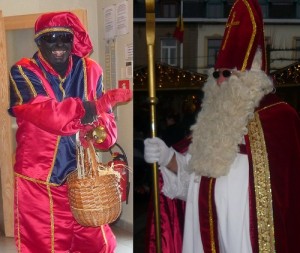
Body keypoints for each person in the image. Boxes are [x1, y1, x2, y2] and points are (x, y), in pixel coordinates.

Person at [144, 0, 300, 252]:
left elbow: (287, 200)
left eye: (227, 74)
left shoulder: (278, 118)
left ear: (250, 75)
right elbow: (191, 184)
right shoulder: (213, 122)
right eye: (216, 74)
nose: (219, 81)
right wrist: (168, 157)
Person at [8, 11, 132, 253]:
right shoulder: (23, 72)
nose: (58, 45)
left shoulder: (91, 69)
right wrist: (94, 107)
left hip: (83, 178)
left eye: (65, 37)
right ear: (38, 42)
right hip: (40, 178)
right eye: (50, 37)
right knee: (46, 245)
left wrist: (101, 130)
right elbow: (46, 113)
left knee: (98, 243)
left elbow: (105, 127)